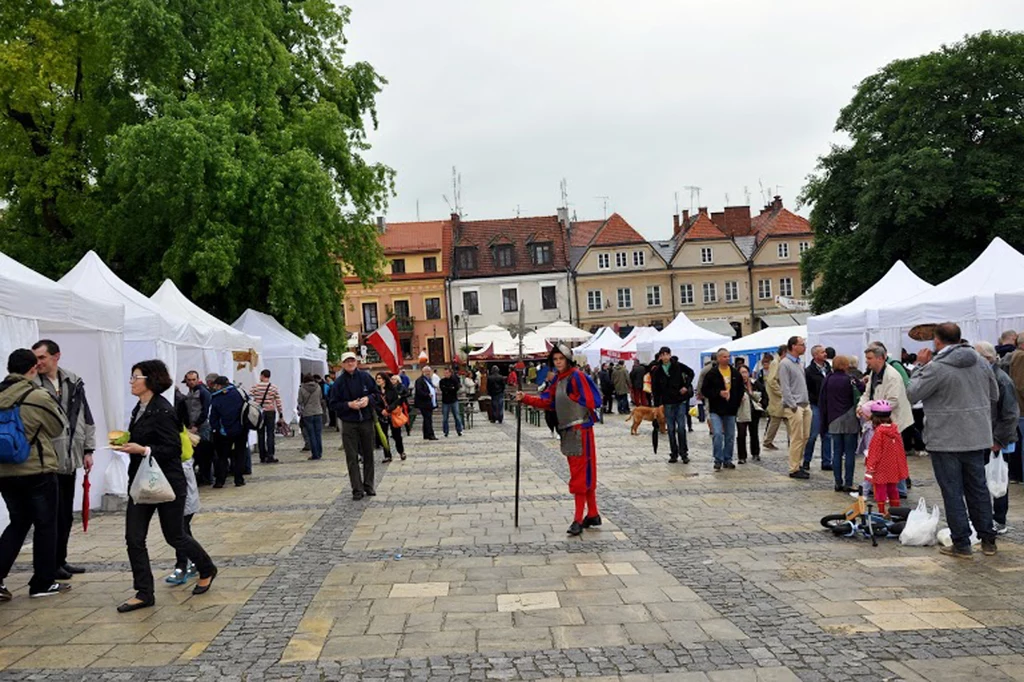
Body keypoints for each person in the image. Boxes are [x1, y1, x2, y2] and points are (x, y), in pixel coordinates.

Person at [114, 359, 217, 612]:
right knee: (133, 537)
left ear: (150, 380)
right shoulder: (140, 407)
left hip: (167, 482)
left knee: (175, 535)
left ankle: (206, 568)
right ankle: (144, 592)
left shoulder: (163, 409)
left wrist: (144, 449)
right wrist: (129, 443)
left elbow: (171, 448)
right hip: (141, 482)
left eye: (135, 377)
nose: (131, 381)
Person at [909, 323, 999, 558]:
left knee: (952, 491)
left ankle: (962, 544)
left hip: (945, 438)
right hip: (976, 436)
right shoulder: (980, 361)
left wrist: (919, 365)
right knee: (978, 489)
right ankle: (988, 540)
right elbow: (994, 394)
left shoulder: (936, 367)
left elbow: (912, 393)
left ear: (937, 342)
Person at [0, 349, 69, 600]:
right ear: (32, 369)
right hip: (36, 469)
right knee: (45, 524)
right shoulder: (36, 395)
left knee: (18, 523)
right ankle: (42, 582)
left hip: (4, 471)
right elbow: (56, 427)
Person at [516, 344, 602, 536]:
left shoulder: (577, 376)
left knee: (582, 473)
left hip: (581, 429)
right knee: (581, 472)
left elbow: (594, 400)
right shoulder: (558, 380)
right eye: (555, 360)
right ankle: (593, 513)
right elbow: (548, 402)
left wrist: (577, 401)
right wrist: (526, 398)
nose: (558, 362)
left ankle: (579, 518)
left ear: (568, 359)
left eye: (561, 359)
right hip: (569, 430)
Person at [31, 340, 94, 580]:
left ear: (56, 356)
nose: (38, 362)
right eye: (36, 358)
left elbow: (86, 416)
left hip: (70, 456)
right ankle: (48, 566)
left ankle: (61, 559)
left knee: (66, 514)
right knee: (50, 516)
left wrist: (88, 450)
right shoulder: (33, 384)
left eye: (42, 357)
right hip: (46, 460)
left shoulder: (73, 381)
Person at [858, 344, 914, 496]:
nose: (867, 362)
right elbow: (867, 393)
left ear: (880, 358)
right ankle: (880, 486)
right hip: (879, 420)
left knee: (892, 456)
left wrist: (872, 413)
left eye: (869, 359)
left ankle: (899, 489)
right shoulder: (873, 373)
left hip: (892, 422)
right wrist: (861, 406)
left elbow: (893, 401)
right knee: (881, 455)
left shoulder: (892, 375)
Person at [976, 341, 1019, 534]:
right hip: (985, 436)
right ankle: (985, 517)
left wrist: (998, 440)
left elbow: (1010, 414)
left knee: (999, 479)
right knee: (984, 478)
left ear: (986, 358)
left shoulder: (1002, 380)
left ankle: (999, 519)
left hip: (997, 439)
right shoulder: (985, 377)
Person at [328, 352, 378, 499]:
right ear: (343, 364)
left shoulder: (365, 377)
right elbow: (333, 404)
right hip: (349, 422)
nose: (350, 363)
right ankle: (357, 488)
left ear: (356, 362)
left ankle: (369, 485)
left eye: (352, 361)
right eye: (347, 361)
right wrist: (348, 405)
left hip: (366, 420)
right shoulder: (338, 382)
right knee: (352, 456)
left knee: (368, 453)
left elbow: (376, 394)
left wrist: (368, 399)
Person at [818, 355, 861, 492]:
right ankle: (848, 482)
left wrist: (823, 422)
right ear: (845, 365)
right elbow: (862, 388)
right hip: (849, 418)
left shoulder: (827, 380)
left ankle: (837, 482)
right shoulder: (850, 379)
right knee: (849, 452)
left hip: (833, 419)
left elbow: (822, 401)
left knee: (836, 452)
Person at [649, 346, 694, 464]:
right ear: (660, 356)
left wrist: (686, 386)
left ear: (670, 355)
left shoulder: (677, 365)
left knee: (681, 428)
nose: (664, 357)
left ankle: (684, 453)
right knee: (671, 428)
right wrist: (656, 404)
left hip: (680, 400)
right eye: (662, 355)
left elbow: (691, 372)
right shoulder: (657, 370)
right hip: (667, 402)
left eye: (666, 354)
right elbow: (655, 388)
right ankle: (673, 453)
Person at [701, 348, 744, 471]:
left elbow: (740, 389)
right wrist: (718, 393)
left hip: (730, 409)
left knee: (730, 435)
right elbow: (705, 390)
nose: (727, 358)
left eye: (728, 356)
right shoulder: (712, 373)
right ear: (719, 358)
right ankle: (718, 459)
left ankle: (728, 459)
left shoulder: (735, 373)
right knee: (718, 434)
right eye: (724, 357)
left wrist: (736, 400)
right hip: (716, 409)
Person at [864, 400, 909, 516]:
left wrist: (870, 467)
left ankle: (882, 511)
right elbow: (900, 450)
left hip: (881, 467)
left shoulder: (879, 433)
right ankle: (896, 510)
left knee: (880, 490)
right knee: (893, 488)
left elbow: (875, 452)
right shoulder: (895, 430)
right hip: (893, 466)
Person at [779, 337, 812, 480]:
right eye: (801, 345)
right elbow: (785, 387)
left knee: (805, 436)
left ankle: (798, 464)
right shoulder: (785, 364)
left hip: (805, 404)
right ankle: (794, 468)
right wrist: (792, 405)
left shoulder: (799, 363)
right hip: (795, 406)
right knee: (797, 437)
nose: (804, 347)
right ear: (793, 346)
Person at [208, 376, 247, 488]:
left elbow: (213, 417)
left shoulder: (216, 397)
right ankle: (239, 479)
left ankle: (220, 481)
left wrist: (215, 428)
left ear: (218, 385)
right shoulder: (240, 393)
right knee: (240, 454)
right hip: (241, 429)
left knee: (222, 457)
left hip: (223, 432)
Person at [803, 344, 833, 471]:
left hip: (828, 405)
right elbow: (807, 389)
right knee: (812, 434)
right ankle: (806, 459)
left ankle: (826, 461)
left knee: (827, 435)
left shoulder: (829, 369)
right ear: (815, 355)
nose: (825, 354)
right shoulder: (809, 371)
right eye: (822, 352)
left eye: (825, 352)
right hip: (815, 404)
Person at [182, 371, 214, 485]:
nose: (191, 382)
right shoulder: (191, 392)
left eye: (193, 379)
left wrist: (197, 425)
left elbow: (205, 411)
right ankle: (202, 475)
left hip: (202, 426)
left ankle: (207, 476)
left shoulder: (203, 392)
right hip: (192, 426)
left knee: (204, 452)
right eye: (189, 380)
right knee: (196, 452)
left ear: (197, 379)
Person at [249, 370, 282, 464]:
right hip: (270, 412)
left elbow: (249, 397)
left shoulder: (255, 387)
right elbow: (278, 402)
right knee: (270, 434)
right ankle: (271, 455)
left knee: (260, 434)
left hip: (259, 412)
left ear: (262, 376)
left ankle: (262, 455)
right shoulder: (273, 387)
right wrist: (281, 414)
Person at [736, 365, 763, 463]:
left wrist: (762, 404)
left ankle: (755, 453)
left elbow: (764, 394)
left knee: (754, 433)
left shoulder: (754, 383)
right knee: (741, 434)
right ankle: (742, 456)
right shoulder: (735, 385)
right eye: (741, 372)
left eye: (745, 372)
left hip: (754, 411)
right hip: (741, 411)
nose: (744, 375)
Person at [763, 347, 787, 450]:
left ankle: (768, 440)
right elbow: (771, 380)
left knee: (778, 419)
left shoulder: (779, 362)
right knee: (779, 419)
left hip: (779, 398)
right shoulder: (775, 363)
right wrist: (782, 392)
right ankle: (794, 441)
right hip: (778, 398)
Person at [380, 374, 407, 461]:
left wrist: (388, 409)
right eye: (377, 378)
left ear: (384, 380)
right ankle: (387, 455)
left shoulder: (392, 390)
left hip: (393, 414)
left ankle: (401, 451)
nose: (378, 380)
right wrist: (381, 411)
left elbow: (396, 401)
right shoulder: (376, 391)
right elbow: (374, 402)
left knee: (397, 435)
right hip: (382, 416)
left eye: (380, 378)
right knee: (383, 436)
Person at [298, 374, 324, 461]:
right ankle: (320, 452)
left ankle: (315, 454)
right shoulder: (318, 387)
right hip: (318, 411)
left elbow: (300, 401)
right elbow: (320, 398)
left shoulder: (302, 388)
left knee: (311, 434)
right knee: (318, 434)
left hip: (307, 413)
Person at [415, 366, 440, 440]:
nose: (428, 373)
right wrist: (427, 394)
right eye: (426, 371)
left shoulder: (428, 380)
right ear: (423, 372)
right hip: (424, 403)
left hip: (429, 402)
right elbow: (419, 391)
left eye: (429, 371)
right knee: (428, 419)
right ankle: (430, 434)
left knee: (427, 419)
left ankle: (426, 434)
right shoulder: (420, 380)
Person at [439, 367, 464, 437]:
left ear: (450, 373)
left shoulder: (454, 380)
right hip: (445, 401)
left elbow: (456, 388)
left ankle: (459, 430)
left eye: (447, 373)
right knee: (445, 418)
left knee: (457, 416)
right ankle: (445, 431)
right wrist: (450, 388)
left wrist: (449, 389)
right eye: (444, 373)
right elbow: (443, 389)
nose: (445, 374)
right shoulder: (442, 381)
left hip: (454, 400)